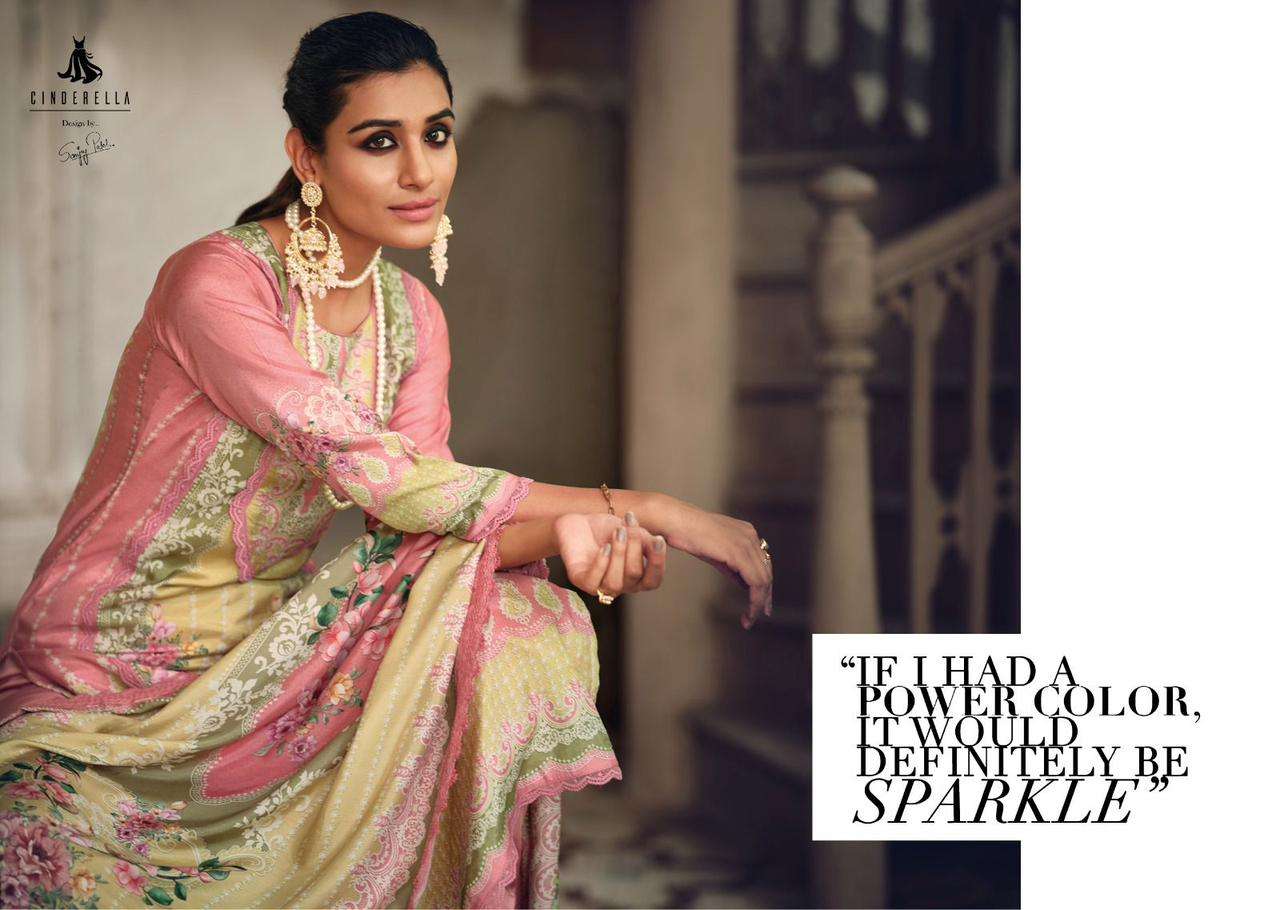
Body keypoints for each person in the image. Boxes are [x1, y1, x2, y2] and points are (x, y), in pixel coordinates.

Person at [0, 11, 772, 909]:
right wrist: (650, 506)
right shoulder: (218, 283)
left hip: (262, 669)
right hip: (105, 674)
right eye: (379, 142)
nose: (420, 171)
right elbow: (388, 478)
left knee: (512, 612)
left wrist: (571, 535)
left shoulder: (411, 319)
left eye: (436, 134)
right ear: (308, 156)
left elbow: (424, 526)